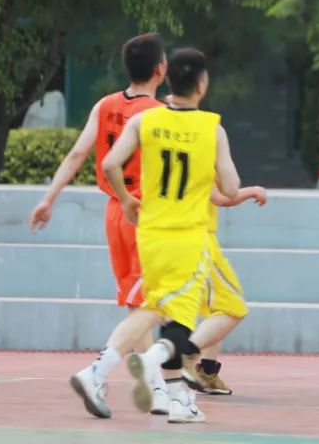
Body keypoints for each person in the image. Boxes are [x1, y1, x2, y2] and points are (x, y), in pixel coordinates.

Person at [69, 48, 243, 424]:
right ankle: (157, 368)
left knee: (153, 308)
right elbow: (230, 188)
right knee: (183, 322)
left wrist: (126, 198)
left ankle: (103, 373)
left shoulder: (144, 121)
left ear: (169, 80)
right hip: (188, 236)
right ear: (201, 85)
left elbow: (110, 163)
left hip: (149, 233)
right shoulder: (212, 128)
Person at [30, 33, 171, 415]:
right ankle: (101, 374)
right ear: (161, 69)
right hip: (143, 213)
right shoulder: (160, 115)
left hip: (114, 212)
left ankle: (156, 389)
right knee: (153, 304)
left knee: (137, 305)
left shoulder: (105, 105)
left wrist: (49, 198)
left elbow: (78, 153)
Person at [186, 183, 268, 395]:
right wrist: (252, 191)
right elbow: (221, 197)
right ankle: (184, 356)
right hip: (197, 238)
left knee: (216, 309)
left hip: (175, 236)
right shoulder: (202, 160)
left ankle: (207, 371)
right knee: (232, 308)